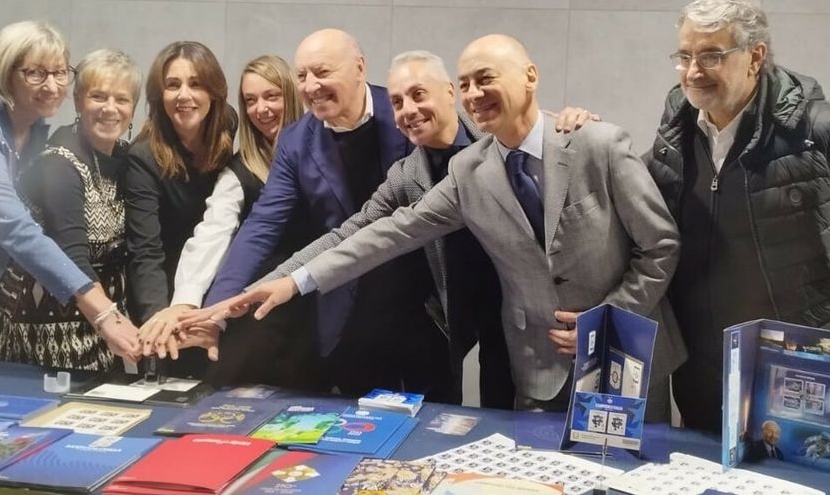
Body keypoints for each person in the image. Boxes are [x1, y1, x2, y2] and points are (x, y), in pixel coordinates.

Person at [197, 34, 684, 413]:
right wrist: (292, 282)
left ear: (530, 76)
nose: (474, 94)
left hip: (623, 357)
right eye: (467, 83)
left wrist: (608, 319)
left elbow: (659, 245)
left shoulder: (595, 143)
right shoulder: (468, 172)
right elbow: (384, 231)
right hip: (534, 365)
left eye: (483, 79)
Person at [644, 0, 830, 432]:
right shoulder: (678, 126)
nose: (693, 72)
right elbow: (632, 196)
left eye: (711, 56)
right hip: (701, 358)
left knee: (789, 463)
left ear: (755, 56)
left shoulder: (819, 130)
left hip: (797, 356)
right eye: (684, 56)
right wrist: (579, 136)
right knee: (701, 462)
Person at [200, 28, 450, 400]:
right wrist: (216, 310)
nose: (311, 86)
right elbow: (262, 224)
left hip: (424, 306)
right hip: (347, 311)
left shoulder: (404, 113)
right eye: (302, 76)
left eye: (322, 72)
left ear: (359, 68)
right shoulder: (295, 140)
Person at [0, 22, 139, 362]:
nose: (52, 86)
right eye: (36, 73)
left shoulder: (33, 126)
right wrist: (103, 312)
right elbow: (17, 229)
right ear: (6, 74)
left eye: (59, 73)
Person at [140, 55, 317, 386]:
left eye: (271, 96)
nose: (261, 109)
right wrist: (187, 304)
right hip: (262, 312)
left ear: (291, 96)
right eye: (251, 100)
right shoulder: (239, 171)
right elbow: (212, 233)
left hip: (321, 300)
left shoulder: (321, 149)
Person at [0, 49, 142, 370]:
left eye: (122, 99)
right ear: (77, 101)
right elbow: (71, 254)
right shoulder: (58, 163)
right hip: (46, 328)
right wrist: (109, 319)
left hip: (101, 321)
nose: (110, 108)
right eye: (98, 96)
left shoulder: (126, 158)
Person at [125, 41, 234, 363]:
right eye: (173, 85)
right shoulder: (142, 157)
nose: (184, 95)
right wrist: (160, 321)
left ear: (214, 92)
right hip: (165, 289)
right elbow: (146, 251)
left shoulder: (226, 125)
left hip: (216, 287)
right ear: (159, 95)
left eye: (196, 84)